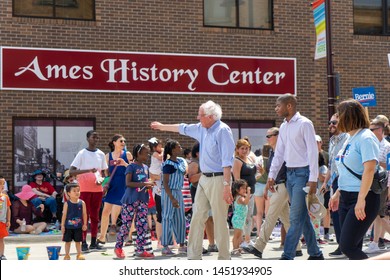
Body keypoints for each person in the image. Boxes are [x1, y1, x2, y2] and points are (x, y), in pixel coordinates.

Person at [151, 100, 235, 260]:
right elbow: (182, 127)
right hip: (204, 178)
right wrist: (162, 126)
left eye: (201, 115)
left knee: (219, 219)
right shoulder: (202, 128)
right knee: (197, 216)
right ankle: (194, 256)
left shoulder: (223, 131)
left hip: (219, 179)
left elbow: (227, 161)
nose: (197, 117)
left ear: (211, 116)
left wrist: (226, 185)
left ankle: (224, 258)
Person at [266, 93, 323, 260]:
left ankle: (287, 255)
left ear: (289, 105)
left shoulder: (305, 124)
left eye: (278, 105)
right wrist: (272, 175)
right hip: (290, 175)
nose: (276, 108)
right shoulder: (283, 126)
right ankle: (316, 253)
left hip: (303, 174)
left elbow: (313, 152)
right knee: (302, 216)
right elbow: (279, 153)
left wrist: (313, 178)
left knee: (295, 216)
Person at [329, 99, 380, 260]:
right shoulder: (349, 138)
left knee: (348, 246)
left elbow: (369, 170)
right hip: (346, 197)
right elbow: (346, 170)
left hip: (364, 198)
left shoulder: (366, 138)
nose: (335, 119)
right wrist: (337, 193)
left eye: (338, 114)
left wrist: (361, 199)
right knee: (352, 246)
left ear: (348, 116)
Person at [244, 127, 302, 258]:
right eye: (267, 136)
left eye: (270, 136)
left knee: (270, 216)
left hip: (283, 185)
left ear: (278, 136)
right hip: (275, 186)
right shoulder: (271, 152)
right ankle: (297, 247)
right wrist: (266, 186)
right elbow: (271, 171)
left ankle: (258, 247)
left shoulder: (286, 151)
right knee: (286, 219)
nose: (267, 138)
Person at [114, 143, 156, 259]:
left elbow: (144, 183)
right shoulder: (131, 167)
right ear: (138, 153)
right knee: (126, 224)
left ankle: (140, 249)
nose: (147, 155)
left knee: (142, 225)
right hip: (130, 200)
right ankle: (118, 247)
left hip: (142, 200)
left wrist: (149, 185)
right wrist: (144, 183)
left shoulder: (145, 168)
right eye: (145, 153)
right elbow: (128, 183)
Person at [69, 130, 108, 252]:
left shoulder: (101, 154)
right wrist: (87, 171)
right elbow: (72, 171)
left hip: (97, 189)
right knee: (84, 216)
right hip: (84, 189)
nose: (95, 139)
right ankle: (83, 242)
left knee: (95, 216)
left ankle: (94, 242)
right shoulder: (82, 153)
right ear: (88, 138)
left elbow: (105, 173)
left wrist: (103, 182)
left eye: (97, 137)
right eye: (93, 137)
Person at [319, 113, 349, 256]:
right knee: (335, 213)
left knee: (343, 213)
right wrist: (325, 182)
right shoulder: (331, 140)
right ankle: (341, 245)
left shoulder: (348, 139)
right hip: (334, 182)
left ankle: (346, 246)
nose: (331, 125)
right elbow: (331, 164)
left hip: (345, 180)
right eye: (329, 122)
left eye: (334, 123)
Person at [97, 134, 132, 246]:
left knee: (127, 212)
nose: (123, 142)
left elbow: (133, 169)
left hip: (124, 185)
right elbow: (104, 171)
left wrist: (125, 163)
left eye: (124, 141)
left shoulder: (127, 154)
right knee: (105, 211)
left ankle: (130, 237)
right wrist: (103, 180)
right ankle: (102, 236)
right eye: (121, 141)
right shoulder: (108, 156)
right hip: (113, 186)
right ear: (114, 142)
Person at [363, 118, 390, 254]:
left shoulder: (387, 146)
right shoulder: (372, 143)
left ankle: (375, 242)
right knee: (377, 215)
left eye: (372, 129)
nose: (370, 132)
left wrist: (375, 162)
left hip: (384, 184)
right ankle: (375, 242)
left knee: (381, 215)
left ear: (380, 130)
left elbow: (389, 166)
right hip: (373, 184)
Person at [188, 142, 218, 254]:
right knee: (198, 219)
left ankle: (212, 244)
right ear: (197, 153)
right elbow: (191, 179)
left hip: (207, 192)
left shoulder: (205, 162)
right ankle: (197, 246)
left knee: (209, 219)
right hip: (197, 192)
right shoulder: (194, 163)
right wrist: (205, 173)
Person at [161, 139, 187, 256]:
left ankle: (182, 244)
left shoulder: (181, 161)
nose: (180, 148)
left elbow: (185, 171)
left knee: (180, 218)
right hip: (169, 192)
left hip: (178, 191)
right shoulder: (167, 164)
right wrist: (172, 198)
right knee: (167, 217)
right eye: (178, 146)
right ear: (172, 150)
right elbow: (165, 183)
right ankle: (165, 245)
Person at [232, 138, 257, 248]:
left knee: (249, 217)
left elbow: (254, 176)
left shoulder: (250, 159)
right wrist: (242, 194)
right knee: (242, 217)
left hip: (251, 191)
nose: (245, 150)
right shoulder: (237, 161)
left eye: (247, 148)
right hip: (243, 194)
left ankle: (247, 239)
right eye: (242, 148)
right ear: (237, 149)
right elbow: (237, 180)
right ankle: (241, 241)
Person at [61, 183, 87, 260]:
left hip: (78, 226)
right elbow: (64, 215)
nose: (77, 192)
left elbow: (84, 214)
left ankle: (79, 254)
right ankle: (67, 254)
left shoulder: (82, 203)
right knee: (67, 242)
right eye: (74, 191)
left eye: (78, 191)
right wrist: (62, 225)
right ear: (69, 193)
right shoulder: (67, 204)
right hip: (68, 227)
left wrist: (85, 224)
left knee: (78, 241)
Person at [148, 137, 164, 248]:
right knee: (160, 212)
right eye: (159, 146)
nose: (161, 147)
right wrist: (164, 151)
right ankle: (160, 240)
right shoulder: (155, 154)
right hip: (155, 174)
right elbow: (161, 157)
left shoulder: (158, 153)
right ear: (154, 147)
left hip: (158, 177)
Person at [230, 179, 251, 257]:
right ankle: (235, 249)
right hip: (238, 219)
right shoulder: (239, 198)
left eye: (245, 188)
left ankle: (237, 248)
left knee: (239, 235)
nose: (245, 190)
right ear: (237, 190)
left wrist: (246, 194)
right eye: (243, 188)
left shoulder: (241, 196)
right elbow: (246, 202)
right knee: (237, 235)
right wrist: (248, 193)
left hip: (241, 219)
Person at [0, 176, 11, 260]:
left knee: (1, 239)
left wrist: (8, 220)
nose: (2, 186)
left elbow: (8, 209)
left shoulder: (5, 197)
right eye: (0, 184)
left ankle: (1, 254)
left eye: (3, 184)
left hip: (2, 221)